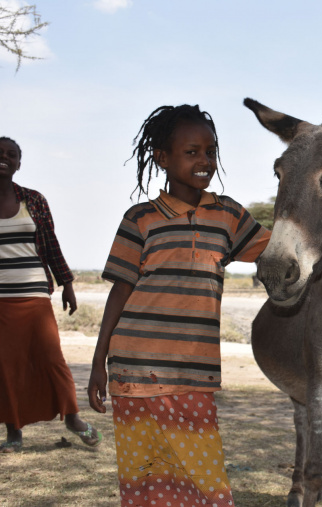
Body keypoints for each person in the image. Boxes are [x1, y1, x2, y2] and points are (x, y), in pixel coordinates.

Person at [87, 105, 270, 506]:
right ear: (163, 158)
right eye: (192, 152)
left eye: (210, 150)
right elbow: (119, 292)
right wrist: (99, 362)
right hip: (134, 371)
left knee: (207, 486)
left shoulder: (229, 216)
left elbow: (281, 251)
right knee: (145, 483)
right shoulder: (140, 219)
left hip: (192, 372)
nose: (205, 160)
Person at [0, 136, 102, 453]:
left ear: (19, 163)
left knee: (52, 359)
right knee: (7, 365)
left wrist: (67, 283)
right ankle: (13, 433)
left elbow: (51, 244)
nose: (4, 157)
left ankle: (73, 419)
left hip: (34, 295)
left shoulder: (34, 200)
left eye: (11, 154)